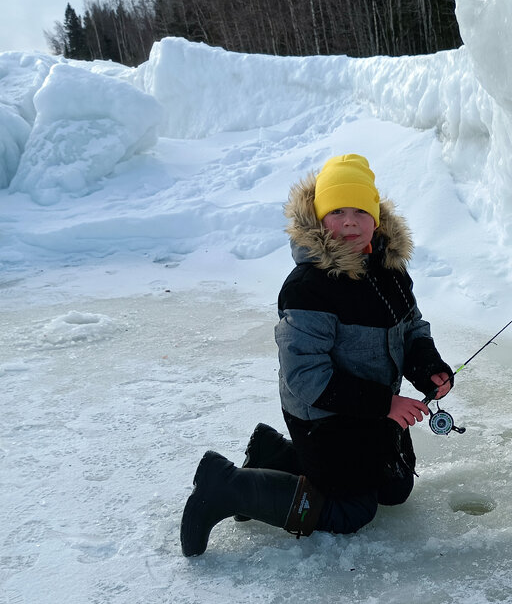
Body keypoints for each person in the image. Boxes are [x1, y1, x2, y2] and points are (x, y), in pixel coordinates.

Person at [180, 153, 453, 557]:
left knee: (395, 489)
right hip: (322, 414)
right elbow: (306, 376)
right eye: (337, 210)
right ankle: (227, 487)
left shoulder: (389, 269)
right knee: (352, 510)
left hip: (367, 408)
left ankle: (272, 454)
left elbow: (412, 327)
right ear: (320, 217)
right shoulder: (309, 286)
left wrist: (428, 367)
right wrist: (386, 403)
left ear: (376, 217)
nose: (349, 221)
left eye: (360, 210)